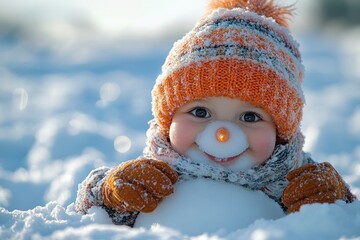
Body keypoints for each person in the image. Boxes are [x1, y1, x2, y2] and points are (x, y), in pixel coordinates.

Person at [75, 0, 356, 227]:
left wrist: (336, 201)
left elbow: (348, 221)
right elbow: (86, 211)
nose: (222, 134)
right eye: (200, 111)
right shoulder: (154, 174)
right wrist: (109, 193)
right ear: (168, 117)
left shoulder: (292, 179)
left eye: (249, 117)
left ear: (281, 130)